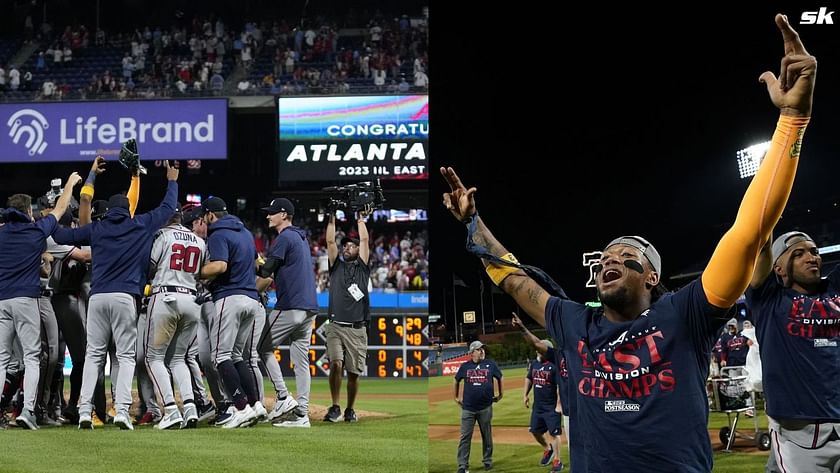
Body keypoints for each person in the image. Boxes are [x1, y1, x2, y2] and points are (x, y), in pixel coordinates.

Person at [440, 13, 815, 472]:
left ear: (652, 276)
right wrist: (473, 223)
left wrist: (792, 120)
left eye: (627, 256)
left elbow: (750, 230)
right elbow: (515, 281)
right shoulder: (575, 322)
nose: (610, 260)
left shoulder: (687, 315)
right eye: (606, 257)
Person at [53, 161, 178, 430]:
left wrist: (50, 219)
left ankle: (85, 411)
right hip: (125, 297)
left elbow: (62, 234)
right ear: (128, 211)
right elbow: (168, 209)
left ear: (108, 211)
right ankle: (121, 410)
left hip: (97, 297)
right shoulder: (139, 224)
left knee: (93, 356)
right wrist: (172, 180)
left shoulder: (97, 228)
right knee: (124, 356)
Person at [746, 229, 840, 472]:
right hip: (798, 431)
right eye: (798, 254)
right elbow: (761, 247)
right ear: (778, 268)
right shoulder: (768, 300)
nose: (811, 257)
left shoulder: (835, 289)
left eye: (814, 252)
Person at [0, 173, 81, 429]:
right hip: (26, 298)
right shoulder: (36, 230)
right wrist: (69, 185)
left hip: (1, 300)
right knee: (33, 357)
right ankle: (27, 412)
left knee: (1, 359)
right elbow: (59, 209)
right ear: (27, 211)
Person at [199, 196, 266, 429]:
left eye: (205, 216)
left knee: (221, 356)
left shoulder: (218, 233)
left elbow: (219, 266)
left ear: (210, 215)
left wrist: (197, 272)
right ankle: (256, 405)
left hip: (230, 296)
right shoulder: (246, 233)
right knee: (238, 356)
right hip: (251, 298)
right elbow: (261, 266)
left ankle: (240, 407)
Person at [256, 197, 319, 427]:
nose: (268, 216)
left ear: (283, 215)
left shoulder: (285, 237)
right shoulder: (301, 237)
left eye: (272, 212)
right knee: (301, 361)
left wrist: (251, 261)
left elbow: (266, 271)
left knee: (259, 347)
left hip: (291, 305)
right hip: (310, 307)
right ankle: (302, 414)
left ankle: (282, 396)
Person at [144, 206, 206, 429]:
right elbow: (202, 273)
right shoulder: (199, 240)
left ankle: (170, 409)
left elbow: (149, 268)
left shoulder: (162, 235)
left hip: (166, 297)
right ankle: (190, 407)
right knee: (178, 358)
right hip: (191, 300)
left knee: (154, 358)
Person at [323, 204, 373, 423]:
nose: (347, 248)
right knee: (336, 363)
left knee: (353, 373)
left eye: (351, 246)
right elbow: (330, 241)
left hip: (357, 328)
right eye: (346, 246)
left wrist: (360, 220)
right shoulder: (336, 267)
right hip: (335, 326)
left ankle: (350, 409)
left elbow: (365, 241)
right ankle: (335, 406)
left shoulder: (362, 268)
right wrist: (332, 217)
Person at [512, 312, 566, 472]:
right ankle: (547, 448)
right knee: (535, 431)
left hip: (551, 407)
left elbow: (559, 386)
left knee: (554, 433)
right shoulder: (534, 366)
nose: (537, 353)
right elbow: (529, 379)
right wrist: (525, 394)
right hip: (538, 406)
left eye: (539, 351)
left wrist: (558, 405)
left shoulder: (554, 366)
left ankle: (557, 461)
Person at [454, 340, 502, 473]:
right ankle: (462, 465)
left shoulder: (490, 364)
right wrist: (456, 397)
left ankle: (487, 461)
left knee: (486, 435)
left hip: (485, 407)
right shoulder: (465, 366)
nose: (482, 351)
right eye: (479, 349)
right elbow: (456, 380)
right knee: (465, 437)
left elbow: (500, 377)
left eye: (482, 349)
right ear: (472, 352)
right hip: (468, 408)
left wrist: (501, 394)